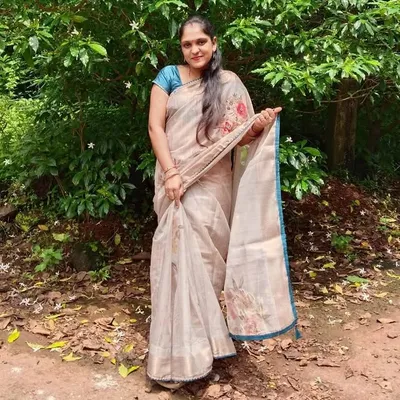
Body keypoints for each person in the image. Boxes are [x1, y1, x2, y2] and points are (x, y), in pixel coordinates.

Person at [147, 15, 298, 389]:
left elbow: (238, 138)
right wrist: (172, 173)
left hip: (213, 185)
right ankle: (174, 358)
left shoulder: (228, 83)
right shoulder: (168, 77)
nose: (194, 49)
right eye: (187, 44)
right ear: (181, 48)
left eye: (201, 42)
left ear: (213, 43)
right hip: (176, 182)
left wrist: (258, 124)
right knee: (176, 265)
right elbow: (155, 127)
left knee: (203, 265)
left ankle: (200, 350)